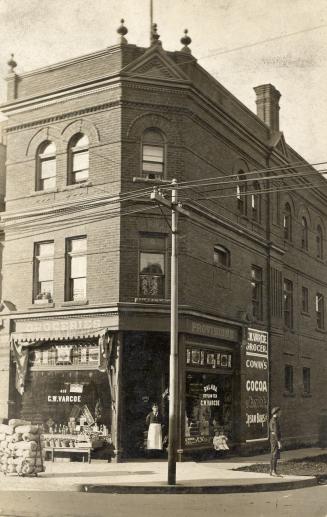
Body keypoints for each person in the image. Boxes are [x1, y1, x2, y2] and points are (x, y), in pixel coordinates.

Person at [269, 406, 282, 476]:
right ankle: (274, 470)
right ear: (276, 412)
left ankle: (271, 470)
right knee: (275, 454)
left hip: (272, 438)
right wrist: (279, 442)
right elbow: (276, 432)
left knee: (273, 453)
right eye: (279, 412)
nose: (280, 413)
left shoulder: (272, 420)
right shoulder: (275, 421)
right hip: (275, 438)